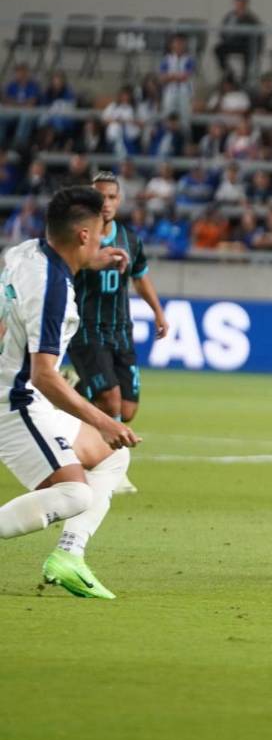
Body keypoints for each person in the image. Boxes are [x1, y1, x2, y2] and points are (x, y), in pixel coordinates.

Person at [0, 186, 140, 599]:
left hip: (21, 389)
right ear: (82, 235)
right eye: (98, 236)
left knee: (113, 456)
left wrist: (91, 261)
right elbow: (45, 376)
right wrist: (103, 420)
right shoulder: (53, 292)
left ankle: (69, 555)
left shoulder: (23, 252)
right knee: (74, 493)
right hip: (16, 401)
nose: (101, 242)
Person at [68, 172, 169, 441]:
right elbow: (59, 269)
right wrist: (88, 261)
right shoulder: (77, 236)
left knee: (127, 409)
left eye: (111, 197)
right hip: (87, 329)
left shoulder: (129, 239)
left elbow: (140, 276)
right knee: (110, 401)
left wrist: (158, 311)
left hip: (121, 330)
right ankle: (110, 465)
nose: (106, 203)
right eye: (99, 196)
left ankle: (71, 393)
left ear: (119, 200)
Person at [214, 0, 262, 83]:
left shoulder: (251, 18)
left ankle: (245, 78)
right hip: (230, 43)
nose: (239, 4)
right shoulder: (229, 16)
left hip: (244, 44)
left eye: (242, 2)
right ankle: (228, 72)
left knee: (249, 53)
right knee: (218, 49)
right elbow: (222, 30)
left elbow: (257, 34)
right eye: (238, 1)